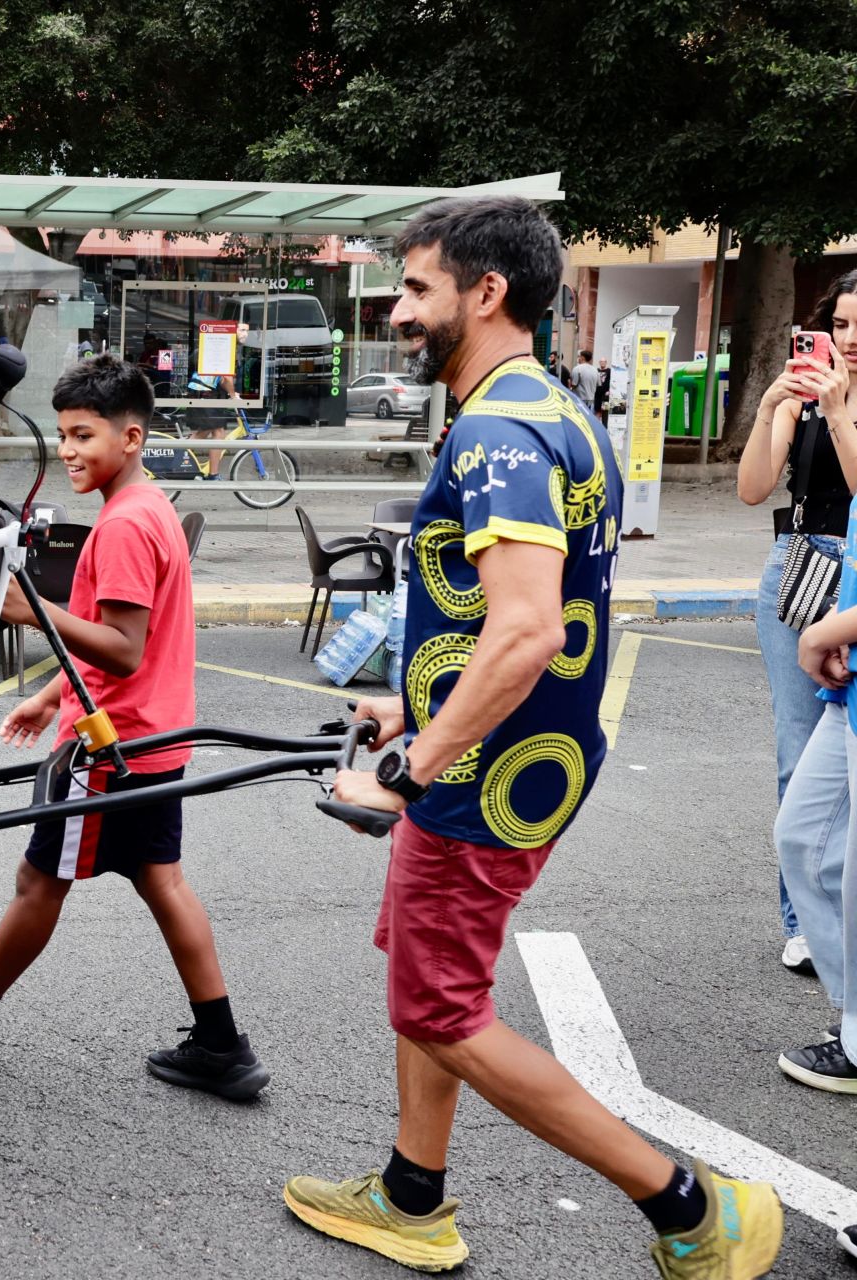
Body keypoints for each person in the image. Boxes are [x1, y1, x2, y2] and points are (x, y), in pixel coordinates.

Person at [283, 197, 781, 1278]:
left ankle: (694, 1206)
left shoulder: (500, 429)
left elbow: (527, 629)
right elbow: (511, 621)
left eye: (417, 288)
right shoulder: (546, 408)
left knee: (440, 1005)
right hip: (502, 757)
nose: (399, 309)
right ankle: (412, 1193)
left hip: (483, 776)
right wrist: (413, 707)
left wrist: (412, 765)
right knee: (429, 977)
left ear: (486, 292)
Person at [0, 356, 269, 1100]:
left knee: (38, 882)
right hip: (151, 737)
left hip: (108, 745)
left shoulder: (124, 527)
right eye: (62, 435)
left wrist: (34, 613)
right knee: (162, 880)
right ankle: (222, 1041)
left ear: (131, 436)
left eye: (83, 435)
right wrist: (53, 693)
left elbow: (120, 649)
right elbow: (126, 641)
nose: (68, 451)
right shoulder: (149, 507)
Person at [743, 269, 857, 981]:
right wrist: (772, 409)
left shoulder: (839, 405)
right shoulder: (810, 396)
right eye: (841, 326)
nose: (849, 340)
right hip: (798, 569)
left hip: (855, 577)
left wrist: (842, 413)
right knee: (797, 755)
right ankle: (805, 925)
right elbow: (754, 488)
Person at [595, 356, 612, 423]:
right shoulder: (596, 371)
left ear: (606, 362)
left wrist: (609, 391)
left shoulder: (609, 371)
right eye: (601, 362)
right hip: (597, 394)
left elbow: (612, 382)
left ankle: (604, 427)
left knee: (605, 412)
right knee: (597, 410)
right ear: (599, 362)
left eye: (603, 362)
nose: (602, 363)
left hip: (606, 396)